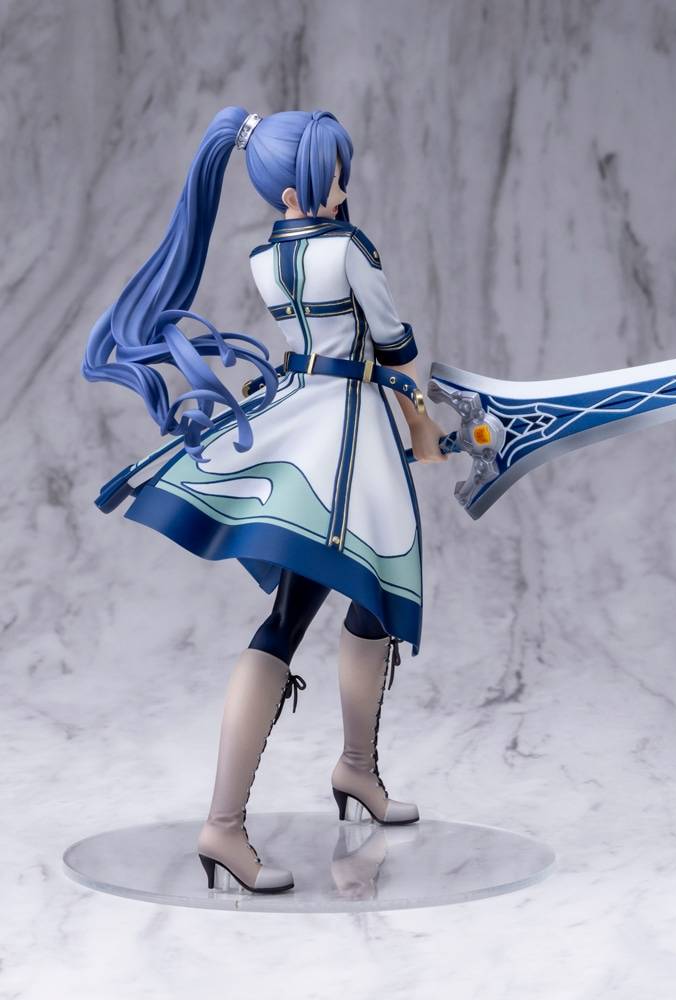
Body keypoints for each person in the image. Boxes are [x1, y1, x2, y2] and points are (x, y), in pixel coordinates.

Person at [82, 107, 447, 894]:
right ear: (297, 187)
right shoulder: (348, 250)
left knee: (359, 603)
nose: (342, 184)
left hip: (298, 422)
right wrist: (420, 412)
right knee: (327, 604)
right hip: (346, 443)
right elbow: (395, 343)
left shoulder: (264, 258)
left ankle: (355, 771)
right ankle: (225, 825)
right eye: (332, 173)